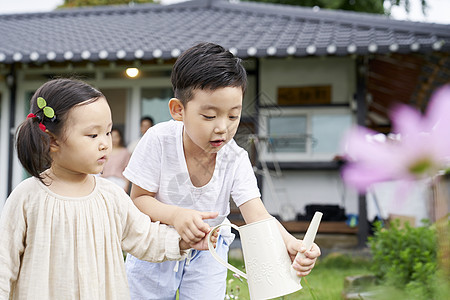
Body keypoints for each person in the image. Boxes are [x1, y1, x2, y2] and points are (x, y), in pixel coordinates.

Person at [124, 42, 321, 299]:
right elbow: (138, 200)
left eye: (233, 116)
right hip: (156, 245)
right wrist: (175, 216)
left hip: (210, 249)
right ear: (178, 110)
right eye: (209, 116)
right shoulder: (158, 140)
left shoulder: (235, 158)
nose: (222, 128)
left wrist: (289, 243)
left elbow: (258, 216)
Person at [0, 78, 218, 300]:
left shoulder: (110, 196)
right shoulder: (27, 197)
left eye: (108, 132)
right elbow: (4, 262)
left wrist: (183, 240)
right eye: (93, 135)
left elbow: (145, 237)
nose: (105, 143)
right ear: (52, 141)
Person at [101, 127, 131, 191]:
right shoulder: (104, 151)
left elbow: (127, 170)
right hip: (104, 182)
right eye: (112, 136)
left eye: (116, 137)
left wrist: (126, 186)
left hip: (120, 183)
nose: (114, 139)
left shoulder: (125, 152)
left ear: (120, 138)